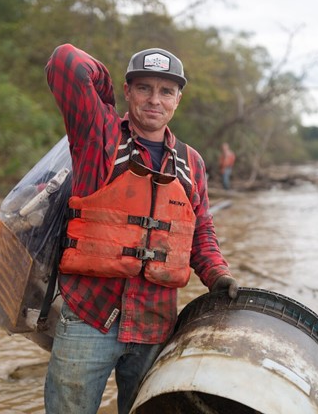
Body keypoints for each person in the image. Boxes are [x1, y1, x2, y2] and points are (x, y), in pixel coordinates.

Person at [43, 44, 239, 414]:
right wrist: (105, 95)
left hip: (156, 324)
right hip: (89, 318)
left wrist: (217, 274)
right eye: (144, 87)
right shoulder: (98, 136)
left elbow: (201, 232)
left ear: (178, 99)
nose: (155, 99)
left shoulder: (192, 162)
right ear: (128, 91)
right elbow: (65, 62)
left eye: (166, 91)